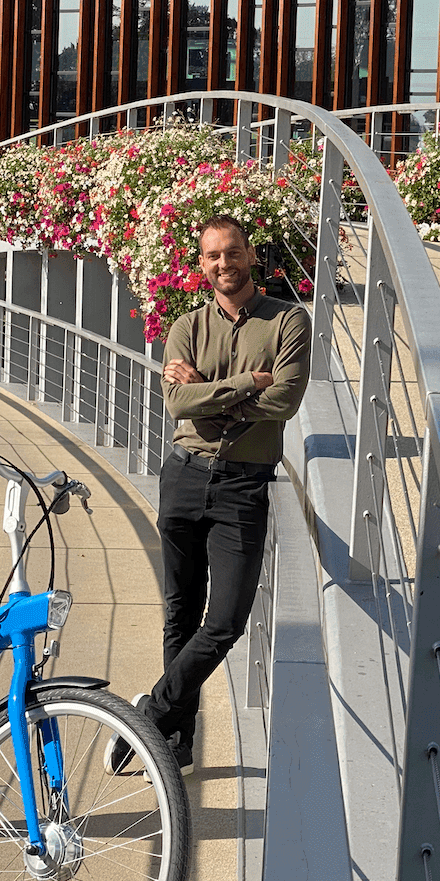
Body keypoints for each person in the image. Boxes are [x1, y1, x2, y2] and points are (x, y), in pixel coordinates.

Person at [106, 215, 311, 777]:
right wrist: (250, 383)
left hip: (243, 484)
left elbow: (286, 400)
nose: (226, 264)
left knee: (224, 622)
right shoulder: (185, 327)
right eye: (214, 256)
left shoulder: (288, 320)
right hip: (183, 476)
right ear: (202, 264)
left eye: (234, 252)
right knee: (180, 614)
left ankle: (148, 714)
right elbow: (176, 406)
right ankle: (176, 743)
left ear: (251, 255)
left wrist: (205, 391)